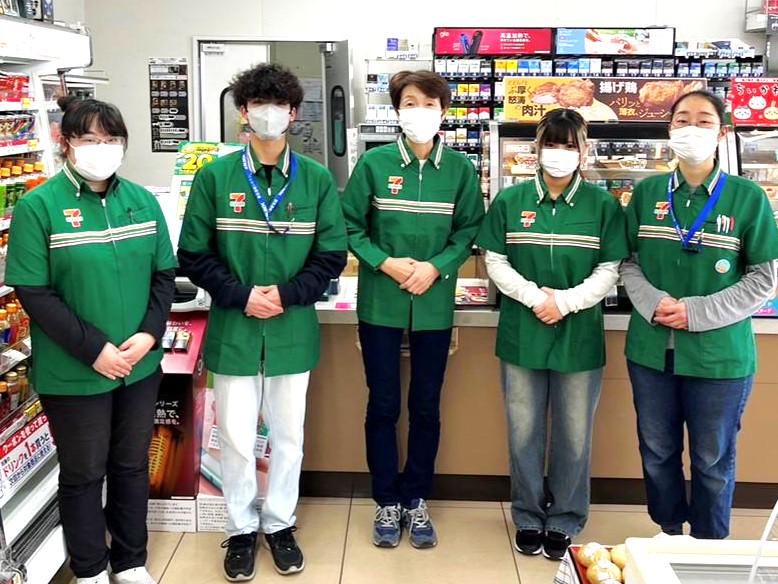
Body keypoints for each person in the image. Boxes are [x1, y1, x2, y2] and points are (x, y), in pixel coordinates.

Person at [177, 64, 347, 581]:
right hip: (236, 328)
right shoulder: (215, 177)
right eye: (258, 104)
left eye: (278, 105)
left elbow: (331, 254)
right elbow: (194, 254)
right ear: (243, 112)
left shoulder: (316, 179)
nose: (268, 114)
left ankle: (279, 523)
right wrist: (242, 295)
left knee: (289, 436)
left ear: (293, 114)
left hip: (292, 329)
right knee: (233, 435)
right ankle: (240, 528)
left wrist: (287, 294)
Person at [5, 97, 177, 584]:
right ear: (66, 144)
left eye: (112, 139)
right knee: (83, 473)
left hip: (139, 365)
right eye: (90, 139)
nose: (102, 148)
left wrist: (148, 333)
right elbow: (34, 292)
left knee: (131, 465)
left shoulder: (141, 202)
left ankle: (130, 560)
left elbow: (164, 275)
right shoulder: (40, 207)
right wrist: (94, 349)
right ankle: (90, 568)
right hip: (74, 371)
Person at [621, 91, 778, 539]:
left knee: (712, 458)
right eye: (682, 120)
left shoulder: (747, 197)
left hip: (719, 355)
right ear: (669, 130)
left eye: (704, 121)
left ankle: (710, 545)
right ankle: (669, 533)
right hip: (652, 349)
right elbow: (628, 262)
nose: (692, 128)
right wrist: (654, 303)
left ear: (722, 133)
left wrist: (696, 312)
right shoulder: (647, 193)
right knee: (657, 450)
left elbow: (764, 278)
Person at [341, 70, 484, 550]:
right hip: (380, 304)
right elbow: (349, 225)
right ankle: (386, 498)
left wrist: (437, 267)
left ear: (443, 111)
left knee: (426, 405)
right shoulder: (374, 164)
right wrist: (384, 262)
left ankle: (416, 497)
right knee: (382, 404)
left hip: (434, 305)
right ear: (396, 110)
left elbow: (469, 230)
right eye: (409, 103)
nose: (418, 111)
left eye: (428, 103)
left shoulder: (459, 169)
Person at [477, 109, 628, 560]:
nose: (559, 153)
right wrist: (532, 297)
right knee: (523, 431)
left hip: (578, 332)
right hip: (523, 330)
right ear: (537, 147)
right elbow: (495, 260)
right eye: (551, 143)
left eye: (569, 145)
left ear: (584, 150)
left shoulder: (602, 205)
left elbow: (610, 268)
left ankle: (565, 517)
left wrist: (565, 301)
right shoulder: (512, 200)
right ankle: (527, 514)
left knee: (574, 434)